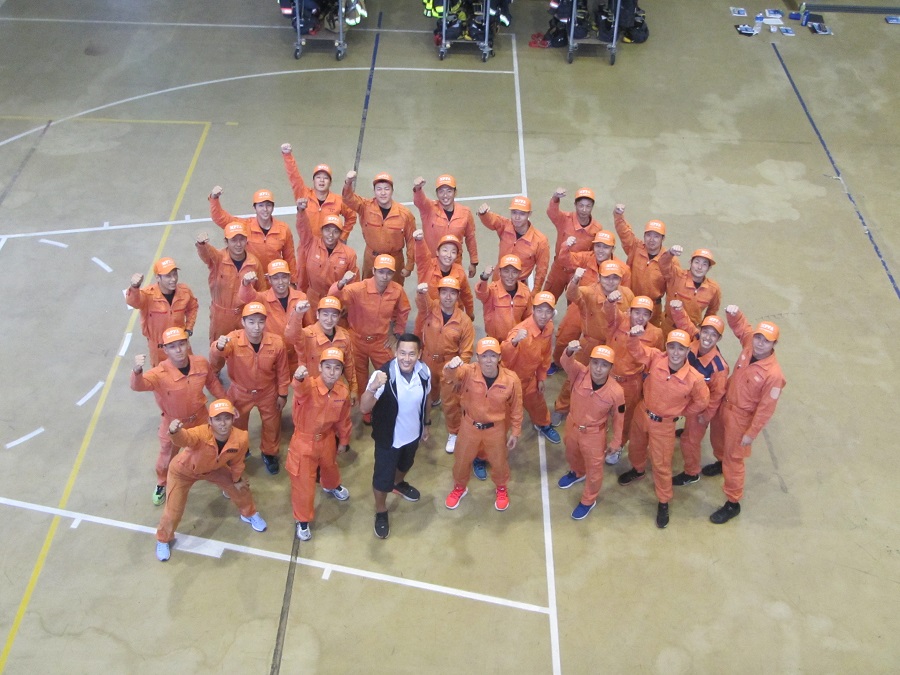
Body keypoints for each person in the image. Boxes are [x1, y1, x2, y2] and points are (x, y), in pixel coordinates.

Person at [616, 327, 710, 528]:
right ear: (666, 347)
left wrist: (681, 411)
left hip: (664, 425)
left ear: (688, 351)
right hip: (642, 413)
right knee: (636, 447)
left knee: (661, 464)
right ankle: (638, 469)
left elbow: (702, 402)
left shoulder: (695, 379)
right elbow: (636, 350)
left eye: (681, 348)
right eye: (672, 347)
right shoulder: (656, 358)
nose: (676, 353)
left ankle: (664, 500)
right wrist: (633, 336)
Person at [155, 399, 267, 562]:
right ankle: (163, 539)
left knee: (241, 489)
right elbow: (184, 438)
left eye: (227, 418)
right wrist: (175, 432)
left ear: (233, 418)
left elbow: (237, 462)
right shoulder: (200, 434)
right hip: (183, 472)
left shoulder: (241, 437)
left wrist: (236, 479)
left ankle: (249, 514)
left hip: (214, 468)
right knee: (173, 511)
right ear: (210, 421)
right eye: (218, 419)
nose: (223, 423)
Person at [704, 308, 786, 524]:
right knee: (717, 440)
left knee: (735, 459)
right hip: (725, 405)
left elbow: (766, 409)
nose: (760, 343)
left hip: (742, 419)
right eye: (759, 338)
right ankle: (720, 461)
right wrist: (734, 315)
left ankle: (733, 502)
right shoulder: (750, 345)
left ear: (774, 344)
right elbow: (742, 329)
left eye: (766, 341)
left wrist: (751, 433)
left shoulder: (773, 375)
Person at [131, 326, 227, 505]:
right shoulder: (159, 373)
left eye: (182, 344)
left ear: (187, 344)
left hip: (200, 417)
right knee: (167, 455)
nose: (178, 350)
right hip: (173, 423)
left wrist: (226, 403)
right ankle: (162, 482)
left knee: (212, 448)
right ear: (165, 350)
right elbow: (138, 386)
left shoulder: (200, 363)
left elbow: (212, 383)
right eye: (172, 346)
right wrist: (137, 371)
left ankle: (222, 478)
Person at [359, 334, 432, 539]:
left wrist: (426, 424)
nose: (406, 359)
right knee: (382, 479)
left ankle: (398, 483)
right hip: (389, 439)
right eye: (402, 353)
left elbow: (427, 398)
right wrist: (373, 387)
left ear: (419, 354)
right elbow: (364, 407)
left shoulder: (424, 372)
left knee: (406, 465)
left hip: (413, 435)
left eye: (411, 354)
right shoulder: (383, 375)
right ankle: (381, 510)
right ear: (395, 352)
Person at [209, 301, 290, 475]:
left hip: (267, 392)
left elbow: (283, 371)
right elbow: (217, 355)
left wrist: (283, 394)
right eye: (251, 322)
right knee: (238, 424)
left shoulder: (276, 343)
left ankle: (269, 453)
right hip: (240, 392)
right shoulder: (233, 340)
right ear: (243, 322)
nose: (256, 327)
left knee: (272, 425)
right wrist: (218, 346)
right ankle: (240, 450)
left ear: (266, 322)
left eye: (260, 321)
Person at [443, 337, 523, 512]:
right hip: (469, 426)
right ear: (477, 358)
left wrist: (516, 431)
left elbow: (517, 407)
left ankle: (501, 488)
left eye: (493, 356)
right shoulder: (468, 372)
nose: (488, 360)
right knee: (462, 460)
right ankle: (459, 487)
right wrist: (450, 366)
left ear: (499, 357)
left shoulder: (511, 380)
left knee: (499, 461)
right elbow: (450, 376)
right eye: (484, 356)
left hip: (495, 429)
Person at [552, 261, 634, 425]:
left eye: (615, 278)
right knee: (574, 377)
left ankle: (602, 413)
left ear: (620, 280)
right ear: (598, 277)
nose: (611, 281)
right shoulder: (589, 292)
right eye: (606, 277)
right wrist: (575, 280)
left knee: (609, 380)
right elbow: (572, 295)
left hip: (613, 345)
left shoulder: (627, 295)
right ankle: (561, 407)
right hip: (589, 343)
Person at [328, 254, 411, 411]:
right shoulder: (358, 289)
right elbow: (332, 298)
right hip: (357, 340)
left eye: (389, 273)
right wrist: (341, 283)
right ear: (373, 271)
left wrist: (397, 334)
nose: (384, 277)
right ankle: (366, 410)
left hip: (380, 341)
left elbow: (404, 310)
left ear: (393, 274)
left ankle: (388, 405)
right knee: (360, 378)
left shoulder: (397, 291)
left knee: (389, 373)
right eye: (381, 272)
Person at [287, 348, 353, 541]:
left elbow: (343, 419)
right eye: (328, 367)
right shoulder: (309, 387)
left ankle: (331, 486)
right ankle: (302, 519)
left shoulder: (342, 391)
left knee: (330, 467)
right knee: (304, 486)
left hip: (327, 439)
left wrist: (344, 440)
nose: (332, 372)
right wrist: (298, 378)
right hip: (304, 443)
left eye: (337, 368)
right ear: (320, 367)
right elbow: (299, 388)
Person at [556, 342, 625, 520]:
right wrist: (570, 350)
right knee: (571, 454)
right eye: (595, 363)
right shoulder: (579, 373)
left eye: (604, 365)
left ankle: (588, 500)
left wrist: (616, 441)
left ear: (611, 368)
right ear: (590, 362)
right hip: (572, 426)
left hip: (594, 434)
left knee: (594, 470)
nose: (598, 369)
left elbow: (619, 418)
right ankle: (577, 472)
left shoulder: (616, 392)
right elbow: (565, 362)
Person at [549, 230, 632, 372]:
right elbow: (565, 259)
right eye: (598, 246)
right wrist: (566, 246)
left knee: (603, 340)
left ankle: (596, 368)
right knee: (565, 335)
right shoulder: (585, 258)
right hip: (581, 304)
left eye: (605, 247)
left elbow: (624, 295)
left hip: (604, 309)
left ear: (613, 249)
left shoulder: (623, 269)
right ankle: (558, 362)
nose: (601, 250)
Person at [668, 300, 729, 487]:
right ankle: (687, 428)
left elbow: (717, 396)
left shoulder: (719, 368)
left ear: (719, 339)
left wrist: (705, 417)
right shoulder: (693, 340)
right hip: (686, 397)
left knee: (690, 441)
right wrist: (678, 309)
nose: (708, 337)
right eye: (705, 331)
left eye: (713, 335)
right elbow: (684, 323)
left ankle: (691, 472)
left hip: (701, 407)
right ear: (700, 330)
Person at [602, 293, 664, 463]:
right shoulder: (619, 320)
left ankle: (618, 445)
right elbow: (609, 312)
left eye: (645, 314)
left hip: (631, 383)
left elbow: (655, 359)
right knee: (601, 409)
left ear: (650, 316)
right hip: (607, 378)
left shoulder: (656, 333)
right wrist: (610, 301)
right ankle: (599, 439)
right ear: (629, 311)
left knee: (624, 416)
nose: (640, 317)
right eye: (637, 312)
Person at [415, 278, 475, 454]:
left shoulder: (464, 321)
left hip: (449, 366)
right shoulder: (430, 308)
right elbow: (422, 303)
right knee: (427, 392)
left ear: (458, 295)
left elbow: (466, 352)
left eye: (452, 293)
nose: (448, 297)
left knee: (450, 402)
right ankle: (432, 402)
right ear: (439, 293)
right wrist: (420, 293)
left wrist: (459, 370)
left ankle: (454, 432)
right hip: (427, 360)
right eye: (444, 292)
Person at [500, 291, 561, 444]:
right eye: (539, 310)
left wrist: (541, 378)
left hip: (529, 379)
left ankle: (543, 424)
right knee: (504, 415)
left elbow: (545, 354)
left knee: (538, 404)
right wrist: (514, 342)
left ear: (553, 313)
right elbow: (504, 356)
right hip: (510, 382)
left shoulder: (548, 328)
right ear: (533, 310)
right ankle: (493, 445)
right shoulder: (520, 332)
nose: (543, 315)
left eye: (548, 311)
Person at [209, 185, 296, 291]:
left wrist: (292, 282)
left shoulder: (284, 229)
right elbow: (220, 218)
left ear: (273, 207)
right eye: (261, 205)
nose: (265, 209)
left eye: (268, 205)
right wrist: (214, 198)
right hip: (251, 281)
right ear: (254, 208)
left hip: (274, 283)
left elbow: (290, 258)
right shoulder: (244, 226)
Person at [343, 170, 415, 284]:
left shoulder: (405, 214)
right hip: (371, 260)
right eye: (379, 189)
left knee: (394, 291)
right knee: (367, 290)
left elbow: (412, 241)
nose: (383, 193)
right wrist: (348, 183)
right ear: (374, 191)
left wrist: (409, 265)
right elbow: (348, 198)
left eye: (386, 189)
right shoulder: (365, 207)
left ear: (392, 191)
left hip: (394, 261)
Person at [237, 259, 309, 373]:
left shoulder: (301, 297)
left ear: (289, 277)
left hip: (296, 354)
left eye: (284, 277)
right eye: (275, 278)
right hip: (274, 355)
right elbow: (246, 297)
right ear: (269, 280)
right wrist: (245, 283)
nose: (280, 282)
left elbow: (309, 325)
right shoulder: (262, 298)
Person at [195, 223, 262, 344]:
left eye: (242, 239)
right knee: (218, 348)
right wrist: (201, 244)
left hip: (245, 315)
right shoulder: (218, 258)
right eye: (234, 240)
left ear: (246, 240)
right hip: (221, 317)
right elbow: (206, 254)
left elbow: (261, 290)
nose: (238, 244)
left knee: (246, 347)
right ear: (226, 242)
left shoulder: (254, 263)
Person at [285, 295, 358, 404]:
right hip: (310, 391)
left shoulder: (344, 336)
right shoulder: (306, 335)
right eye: (325, 314)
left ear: (339, 316)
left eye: (334, 315)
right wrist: (297, 313)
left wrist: (353, 388)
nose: (329, 319)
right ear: (317, 315)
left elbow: (349, 365)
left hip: (335, 389)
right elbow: (290, 336)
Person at [126, 257, 199, 367]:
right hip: (159, 349)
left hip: (180, 345)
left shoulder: (184, 292)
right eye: (168, 276)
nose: (173, 279)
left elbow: (193, 307)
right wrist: (134, 287)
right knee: (162, 375)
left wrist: (188, 329)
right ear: (157, 277)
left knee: (188, 370)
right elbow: (133, 302)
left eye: (175, 274)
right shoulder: (148, 295)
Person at [295, 199, 358, 323]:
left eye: (335, 231)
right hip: (313, 299)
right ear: (321, 231)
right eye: (327, 230)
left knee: (333, 330)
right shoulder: (311, 244)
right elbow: (303, 228)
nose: (331, 235)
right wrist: (301, 211)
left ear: (340, 233)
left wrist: (347, 305)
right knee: (312, 329)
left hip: (335, 301)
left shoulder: (349, 254)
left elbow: (354, 284)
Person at [281, 142, 356, 240]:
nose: (321, 180)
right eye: (318, 177)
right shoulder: (303, 194)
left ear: (330, 182)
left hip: (328, 245)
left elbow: (352, 216)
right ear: (313, 180)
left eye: (325, 178)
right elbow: (294, 177)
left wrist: (342, 236)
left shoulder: (338, 201)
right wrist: (287, 155)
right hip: (307, 245)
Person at [478, 196, 550, 291]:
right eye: (514, 212)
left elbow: (541, 270)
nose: (517, 217)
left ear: (529, 214)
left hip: (519, 288)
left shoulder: (540, 241)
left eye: (522, 213)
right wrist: (483, 214)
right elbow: (492, 220)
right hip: (498, 281)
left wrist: (535, 292)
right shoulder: (505, 226)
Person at [412, 174, 478, 277]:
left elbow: (470, 238)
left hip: (454, 264)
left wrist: (473, 262)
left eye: (449, 191)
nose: (445, 195)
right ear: (437, 193)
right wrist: (418, 188)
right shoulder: (428, 209)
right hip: (431, 264)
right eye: (441, 191)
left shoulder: (465, 213)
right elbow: (419, 201)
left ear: (455, 192)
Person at [543, 187, 604, 299]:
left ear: (592, 207)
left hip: (578, 272)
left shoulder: (597, 229)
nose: (584, 210)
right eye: (581, 205)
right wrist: (555, 198)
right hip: (559, 268)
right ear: (575, 205)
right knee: (547, 298)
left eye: (588, 206)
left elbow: (595, 253)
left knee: (575, 304)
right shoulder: (564, 219)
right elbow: (552, 213)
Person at [613, 204, 667, 326]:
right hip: (631, 302)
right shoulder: (636, 247)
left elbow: (673, 286)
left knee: (651, 334)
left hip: (653, 308)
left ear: (662, 239)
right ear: (644, 236)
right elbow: (624, 233)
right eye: (648, 235)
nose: (651, 239)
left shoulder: (668, 260)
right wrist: (618, 215)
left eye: (656, 236)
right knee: (624, 329)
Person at [412, 230, 475, 333]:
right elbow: (421, 256)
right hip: (428, 317)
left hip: (451, 318)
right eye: (445, 250)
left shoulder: (460, 272)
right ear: (437, 252)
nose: (449, 255)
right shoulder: (426, 267)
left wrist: (470, 312)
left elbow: (466, 294)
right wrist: (420, 241)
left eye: (453, 252)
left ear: (457, 256)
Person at [658, 246, 722, 336]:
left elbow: (712, 311)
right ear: (690, 263)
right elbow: (663, 264)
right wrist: (670, 253)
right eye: (697, 262)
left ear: (709, 268)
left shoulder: (713, 289)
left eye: (704, 264)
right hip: (668, 328)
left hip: (691, 332)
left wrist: (703, 328)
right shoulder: (676, 276)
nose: (699, 267)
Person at [475, 254, 533, 340]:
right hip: (494, 341)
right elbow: (480, 294)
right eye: (506, 271)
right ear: (499, 272)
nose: (510, 276)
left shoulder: (525, 292)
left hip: (515, 341)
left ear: (520, 273)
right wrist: (484, 278)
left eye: (514, 272)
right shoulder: (492, 290)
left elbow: (528, 317)